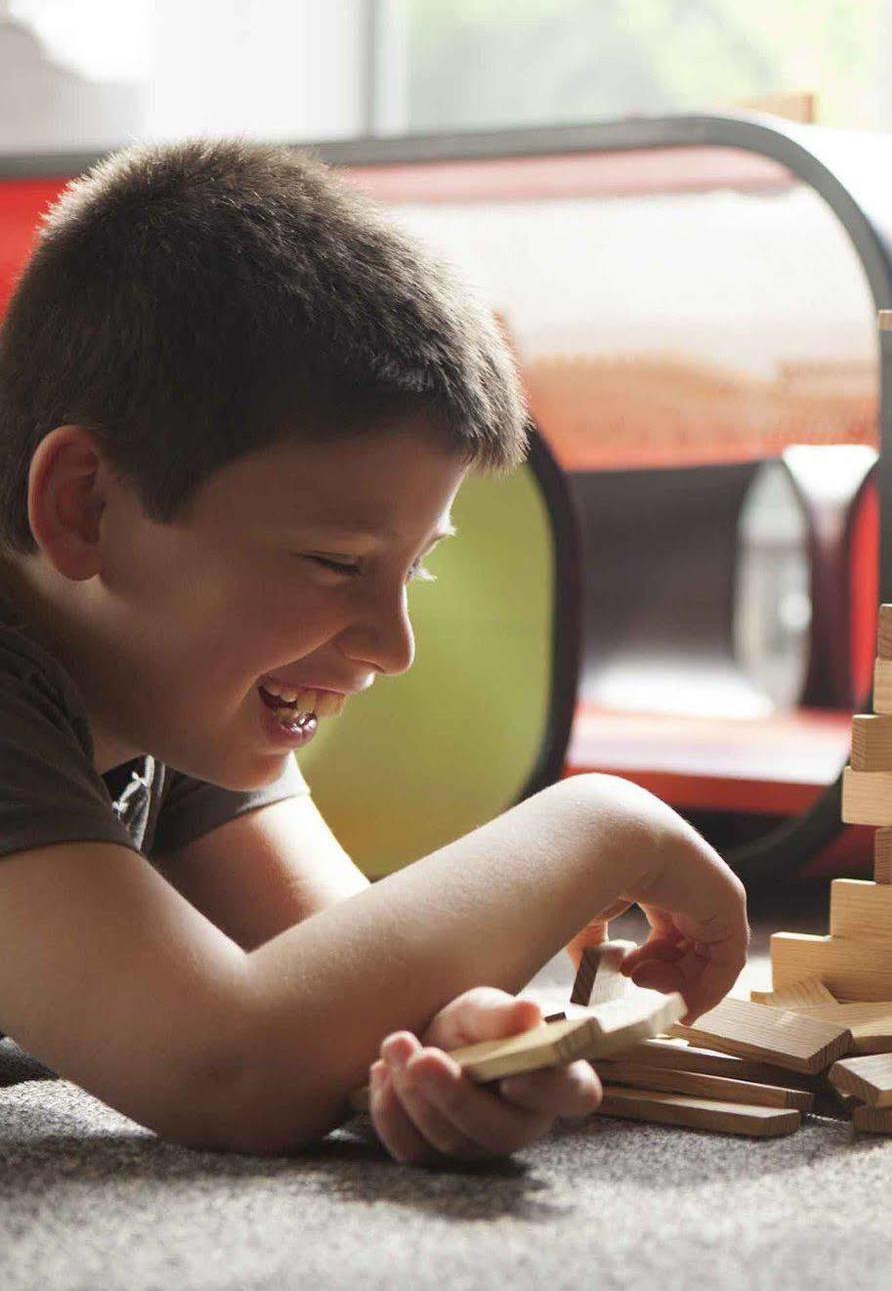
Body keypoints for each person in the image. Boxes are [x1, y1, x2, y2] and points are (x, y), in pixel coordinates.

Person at [0, 140, 747, 1163]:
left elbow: (333, 973)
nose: (392, 648)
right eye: (331, 561)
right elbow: (226, 1066)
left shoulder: (169, 691)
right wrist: (604, 826)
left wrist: (454, 1043)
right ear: (84, 505)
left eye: (414, 568)